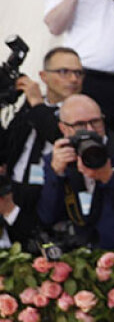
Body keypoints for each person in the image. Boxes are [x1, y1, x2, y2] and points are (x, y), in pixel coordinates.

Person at [39, 93, 114, 250]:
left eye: (95, 122)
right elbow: (47, 216)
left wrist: (109, 178)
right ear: (64, 128)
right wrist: (57, 174)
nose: (90, 130)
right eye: (80, 125)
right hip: (78, 254)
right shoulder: (57, 159)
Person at [2, 47, 88, 224]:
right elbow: (9, 143)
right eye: (64, 72)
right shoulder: (31, 106)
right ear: (43, 76)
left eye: (79, 73)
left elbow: (60, 135)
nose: (73, 79)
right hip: (15, 188)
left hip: (53, 194)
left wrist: (37, 104)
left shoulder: (84, 110)